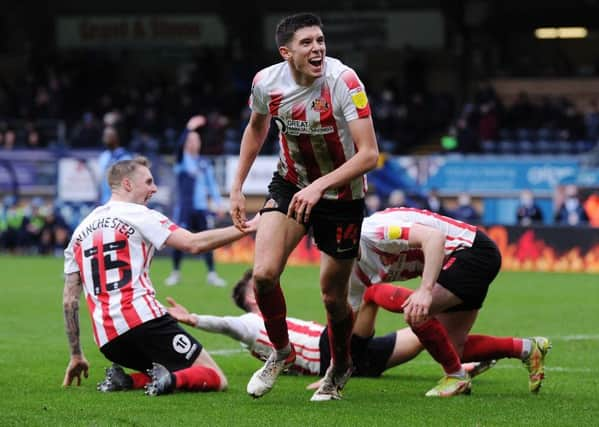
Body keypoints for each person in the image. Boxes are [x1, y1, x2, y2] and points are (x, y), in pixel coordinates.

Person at [229, 12, 379, 401]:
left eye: (320, 41)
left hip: (342, 195)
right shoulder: (266, 82)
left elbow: (368, 155)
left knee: (332, 297)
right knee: (262, 274)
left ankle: (340, 365)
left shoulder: (344, 81)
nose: (318, 49)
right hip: (291, 182)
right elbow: (256, 127)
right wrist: (237, 187)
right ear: (286, 52)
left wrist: (321, 188)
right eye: (307, 43)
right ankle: (280, 352)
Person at [62, 157, 258, 396]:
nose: (154, 189)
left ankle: (125, 380)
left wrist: (76, 355)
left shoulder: (80, 231)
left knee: (165, 365)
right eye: (148, 182)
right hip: (144, 322)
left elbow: (69, 301)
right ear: (127, 184)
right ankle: (169, 382)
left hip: (108, 341)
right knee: (214, 376)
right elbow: (193, 243)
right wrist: (248, 227)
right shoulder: (140, 214)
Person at [349, 207, 551, 397]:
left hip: (471, 253)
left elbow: (434, 238)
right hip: (466, 261)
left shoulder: (376, 231)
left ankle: (456, 377)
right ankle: (527, 348)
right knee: (455, 350)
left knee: (416, 312)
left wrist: (425, 291)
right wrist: (336, 374)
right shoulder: (353, 265)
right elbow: (350, 310)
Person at [165, 269, 494, 383]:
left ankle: (462, 359)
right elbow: (225, 325)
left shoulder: (267, 330)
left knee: (424, 330)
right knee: (377, 300)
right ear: (252, 297)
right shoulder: (250, 323)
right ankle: (463, 352)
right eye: (259, 285)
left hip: (337, 352)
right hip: (333, 352)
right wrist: (193, 319)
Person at [165, 115, 227, 287]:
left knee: (207, 241)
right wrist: (189, 128)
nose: (193, 142)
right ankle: (175, 273)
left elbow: (212, 185)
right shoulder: (182, 162)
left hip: (201, 209)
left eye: (196, 139)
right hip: (185, 209)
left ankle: (212, 274)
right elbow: (178, 148)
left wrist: (218, 203)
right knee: (179, 241)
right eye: (190, 140)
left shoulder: (204, 164)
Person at [97, 126, 131, 204]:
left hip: (121, 203)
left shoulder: (125, 158)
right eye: (104, 136)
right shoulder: (103, 156)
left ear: (116, 137)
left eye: (108, 135)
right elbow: (101, 180)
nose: (105, 138)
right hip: (104, 202)